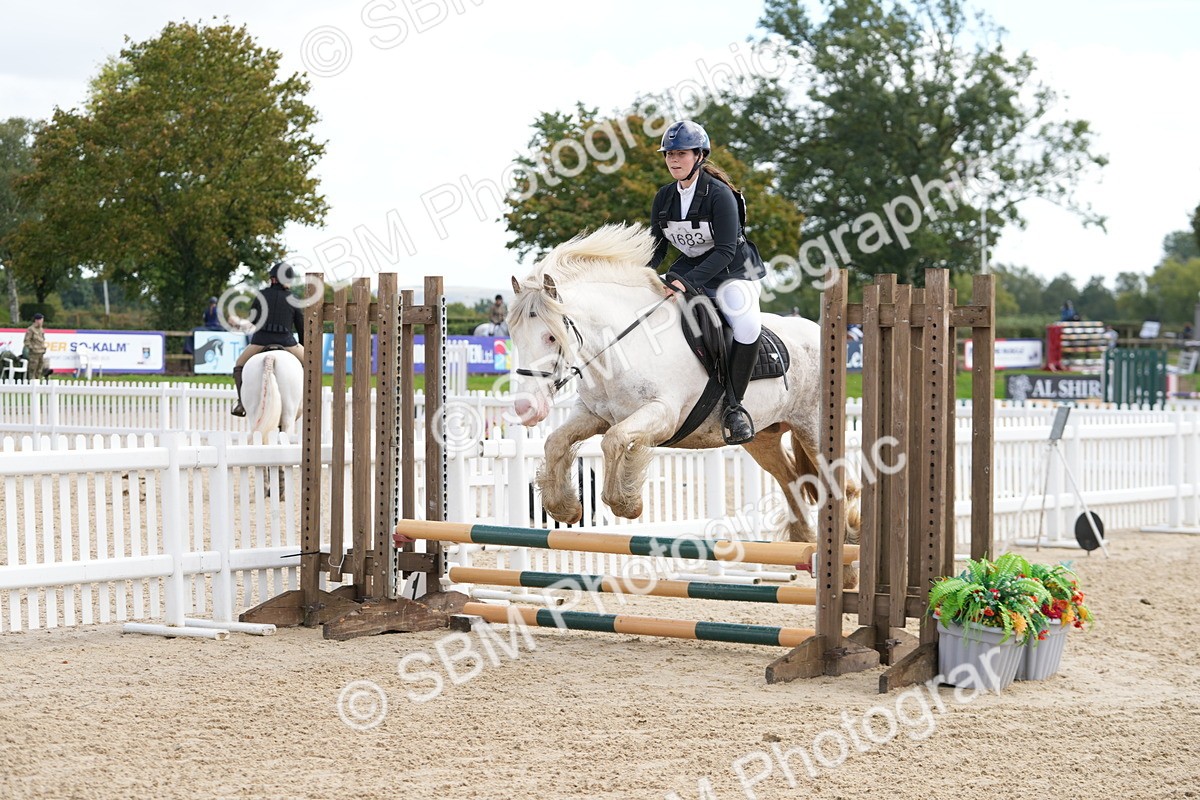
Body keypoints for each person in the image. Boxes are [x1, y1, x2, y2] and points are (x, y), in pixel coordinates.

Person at [648, 119, 766, 445]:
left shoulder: (720, 195)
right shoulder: (664, 197)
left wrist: (684, 281)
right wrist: (641, 275)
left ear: (699, 155)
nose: (673, 160)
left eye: (681, 153)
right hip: (691, 271)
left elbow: (726, 251)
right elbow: (656, 249)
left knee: (746, 323)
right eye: (669, 154)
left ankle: (734, 406)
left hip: (734, 273)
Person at [230, 261, 304, 417]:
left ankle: (242, 403)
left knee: (239, 366)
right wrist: (303, 346)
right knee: (313, 365)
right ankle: (309, 402)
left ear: (273, 279)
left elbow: (253, 321)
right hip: (287, 342)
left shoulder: (261, 295)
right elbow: (301, 329)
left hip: (260, 341)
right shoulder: (294, 300)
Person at [23, 313, 46, 381]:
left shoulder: (41, 329)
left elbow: (42, 340)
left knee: (39, 369)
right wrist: (32, 348)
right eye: (41, 320)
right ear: (37, 320)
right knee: (32, 369)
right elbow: (27, 341)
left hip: (41, 352)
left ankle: (37, 382)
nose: (42, 322)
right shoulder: (31, 329)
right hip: (34, 353)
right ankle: (31, 383)